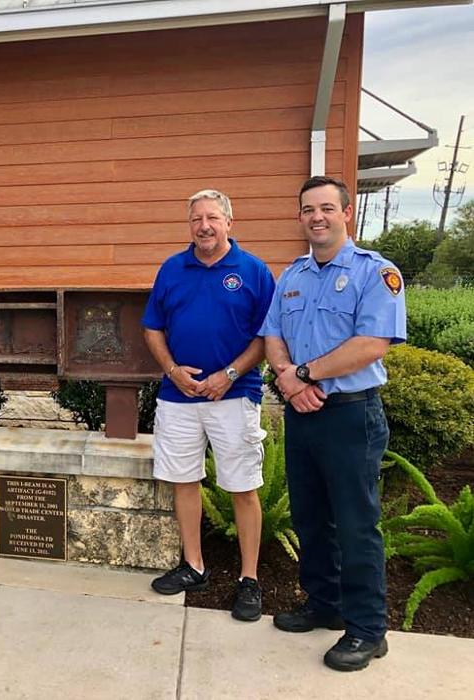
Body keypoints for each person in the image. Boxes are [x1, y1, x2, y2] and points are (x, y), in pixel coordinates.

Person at [259, 175, 406, 672]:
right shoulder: (292, 275)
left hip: (350, 415)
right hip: (302, 413)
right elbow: (273, 334)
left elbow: (372, 344)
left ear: (347, 213)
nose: (316, 217)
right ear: (300, 217)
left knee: (356, 524)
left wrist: (303, 375)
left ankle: (367, 629)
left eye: (326, 208)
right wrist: (289, 380)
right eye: (308, 209)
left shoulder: (376, 273)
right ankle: (324, 604)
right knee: (310, 517)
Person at [142, 190, 275, 621]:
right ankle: (194, 566)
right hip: (178, 396)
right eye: (196, 219)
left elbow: (267, 336)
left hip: (233, 396)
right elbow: (153, 328)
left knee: (242, 486)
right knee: (184, 480)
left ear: (229, 223)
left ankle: (249, 579)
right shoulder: (171, 268)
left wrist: (229, 375)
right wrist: (172, 370)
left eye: (213, 218)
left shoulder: (254, 271)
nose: (204, 226)